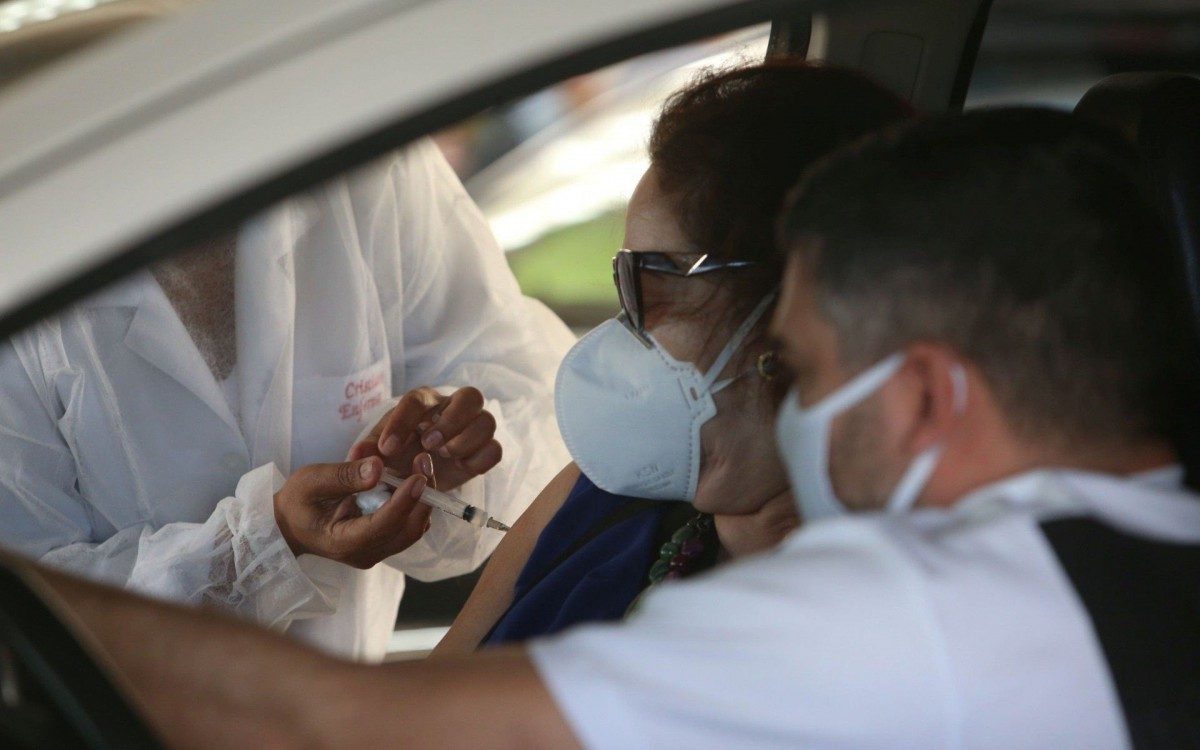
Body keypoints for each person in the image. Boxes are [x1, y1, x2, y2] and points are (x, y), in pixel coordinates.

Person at [24, 106, 1200, 749]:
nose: (795, 398)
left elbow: (332, 725)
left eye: (818, 366)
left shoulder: (932, 620)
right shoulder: (1132, 567)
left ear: (931, 397)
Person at [0, 140, 575, 660]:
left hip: (349, 715)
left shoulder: (369, 165)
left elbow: (533, 399)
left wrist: (455, 448)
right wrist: (258, 547)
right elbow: (28, 614)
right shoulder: (22, 238)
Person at [434, 61, 913, 652]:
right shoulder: (598, 499)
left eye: (653, 283)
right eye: (622, 281)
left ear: (799, 310)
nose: (629, 326)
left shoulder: (895, 618)